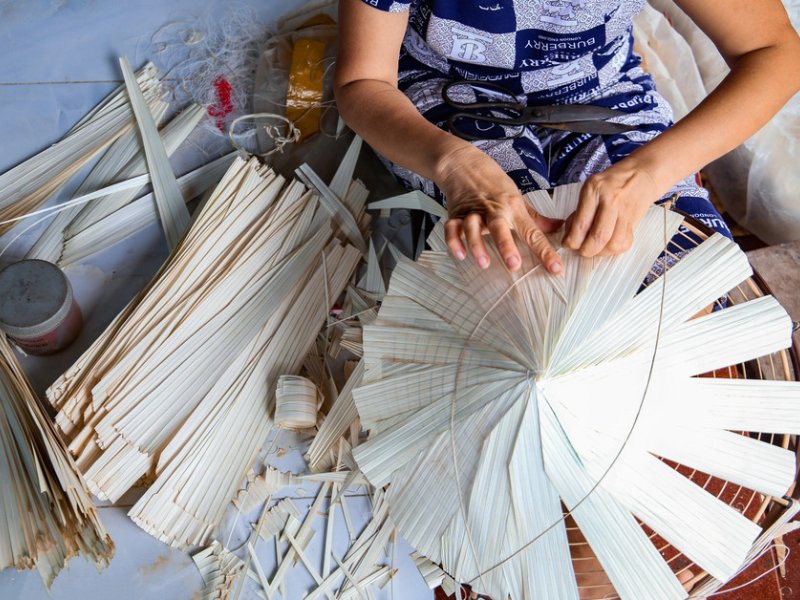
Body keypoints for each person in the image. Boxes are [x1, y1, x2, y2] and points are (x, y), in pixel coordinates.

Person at [334, 0, 800, 274]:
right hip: (450, 94)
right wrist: (454, 166)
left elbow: (775, 52)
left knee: (696, 284)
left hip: (602, 92)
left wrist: (646, 173)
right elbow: (363, 84)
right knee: (522, 277)